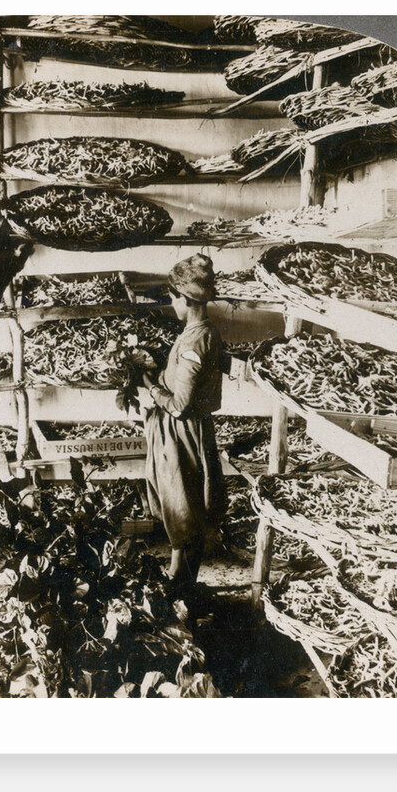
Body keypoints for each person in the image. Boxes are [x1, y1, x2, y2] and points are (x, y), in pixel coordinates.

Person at [141, 253, 226, 594]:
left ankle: (180, 583)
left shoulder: (194, 340)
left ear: (185, 299)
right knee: (186, 504)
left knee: (182, 503)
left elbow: (179, 404)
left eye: (173, 298)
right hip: (189, 431)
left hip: (180, 434)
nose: (172, 304)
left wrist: (151, 389)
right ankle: (182, 578)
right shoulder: (202, 331)